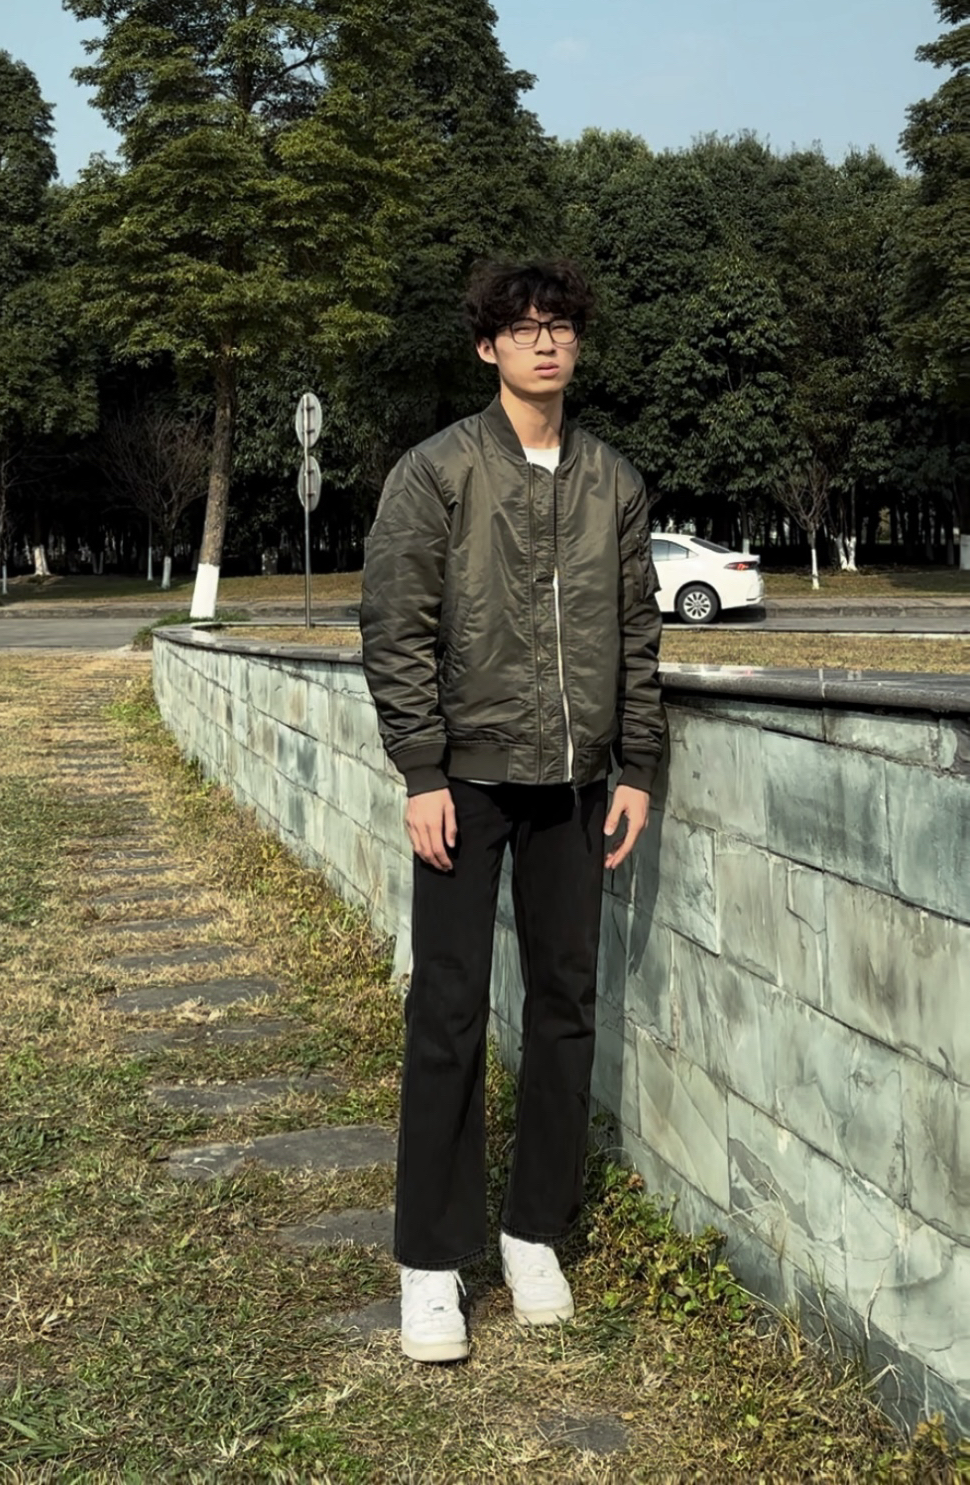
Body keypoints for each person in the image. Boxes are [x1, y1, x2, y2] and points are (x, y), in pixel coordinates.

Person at [360, 257, 664, 1363]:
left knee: (564, 1003)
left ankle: (533, 1230)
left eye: (560, 325)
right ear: (488, 346)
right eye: (523, 327)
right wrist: (421, 771)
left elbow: (636, 634)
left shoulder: (613, 483)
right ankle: (430, 1262)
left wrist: (637, 764)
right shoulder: (436, 472)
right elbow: (394, 625)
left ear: (576, 341)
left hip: (576, 786)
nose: (545, 342)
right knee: (447, 1009)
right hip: (466, 782)